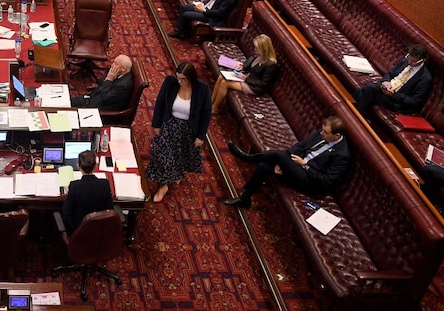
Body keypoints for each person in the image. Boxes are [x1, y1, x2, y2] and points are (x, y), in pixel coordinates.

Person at [221, 116, 351, 208]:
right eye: (322, 130)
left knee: (278, 154)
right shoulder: (322, 133)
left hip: (310, 181)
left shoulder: (342, 155)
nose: (321, 133)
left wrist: (304, 165)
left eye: (325, 132)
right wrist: (284, 163)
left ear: (337, 136)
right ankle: (245, 199)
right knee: (263, 166)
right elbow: (300, 146)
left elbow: (325, 182)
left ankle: (247, 158)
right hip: (296, 167)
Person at [147, 62, 212, 203]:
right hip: (170, 123)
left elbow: (206, 114)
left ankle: (176, 173)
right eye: (178, 78)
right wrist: (156, 124)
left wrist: (201, 136)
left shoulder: (202, 89)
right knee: (164, 154)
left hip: (189, 128)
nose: (180, 82)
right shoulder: (170, 82)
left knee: (180, 155)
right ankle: (163, 185)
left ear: (191, 78)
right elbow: (160, 103)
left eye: (183, 79)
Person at [353, 44, 431, 121]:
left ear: (423, 60)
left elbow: (414, 101)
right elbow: (390, 73)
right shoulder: (405, 61)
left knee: (365, 91)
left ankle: (357, 117)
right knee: (368, 88)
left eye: (413, 61)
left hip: (398, 101)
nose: (410, 62)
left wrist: (394, 95)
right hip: (387, 87)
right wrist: (386, 81)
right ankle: (360, 118)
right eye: (409, 58)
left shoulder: (425, 78)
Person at [211, 34, 279, 111]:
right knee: (221, 76)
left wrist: (246, 79)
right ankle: (211, 101)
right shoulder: (258, 55)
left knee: (225, 83)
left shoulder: (271, 64)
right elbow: (250, 62)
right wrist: (243, 66)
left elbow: (264, 84)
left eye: (257, 48)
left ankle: (214, 108)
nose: (255, 49)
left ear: (264, 49)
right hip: (246, 77)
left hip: (254, 87)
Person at [61, 150, 113, 232]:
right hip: (99, 229)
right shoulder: (104, 184)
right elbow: (110, 210)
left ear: (78, 166)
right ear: (95, 166)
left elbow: (66, 212)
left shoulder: (74, 186)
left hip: (78, 229)